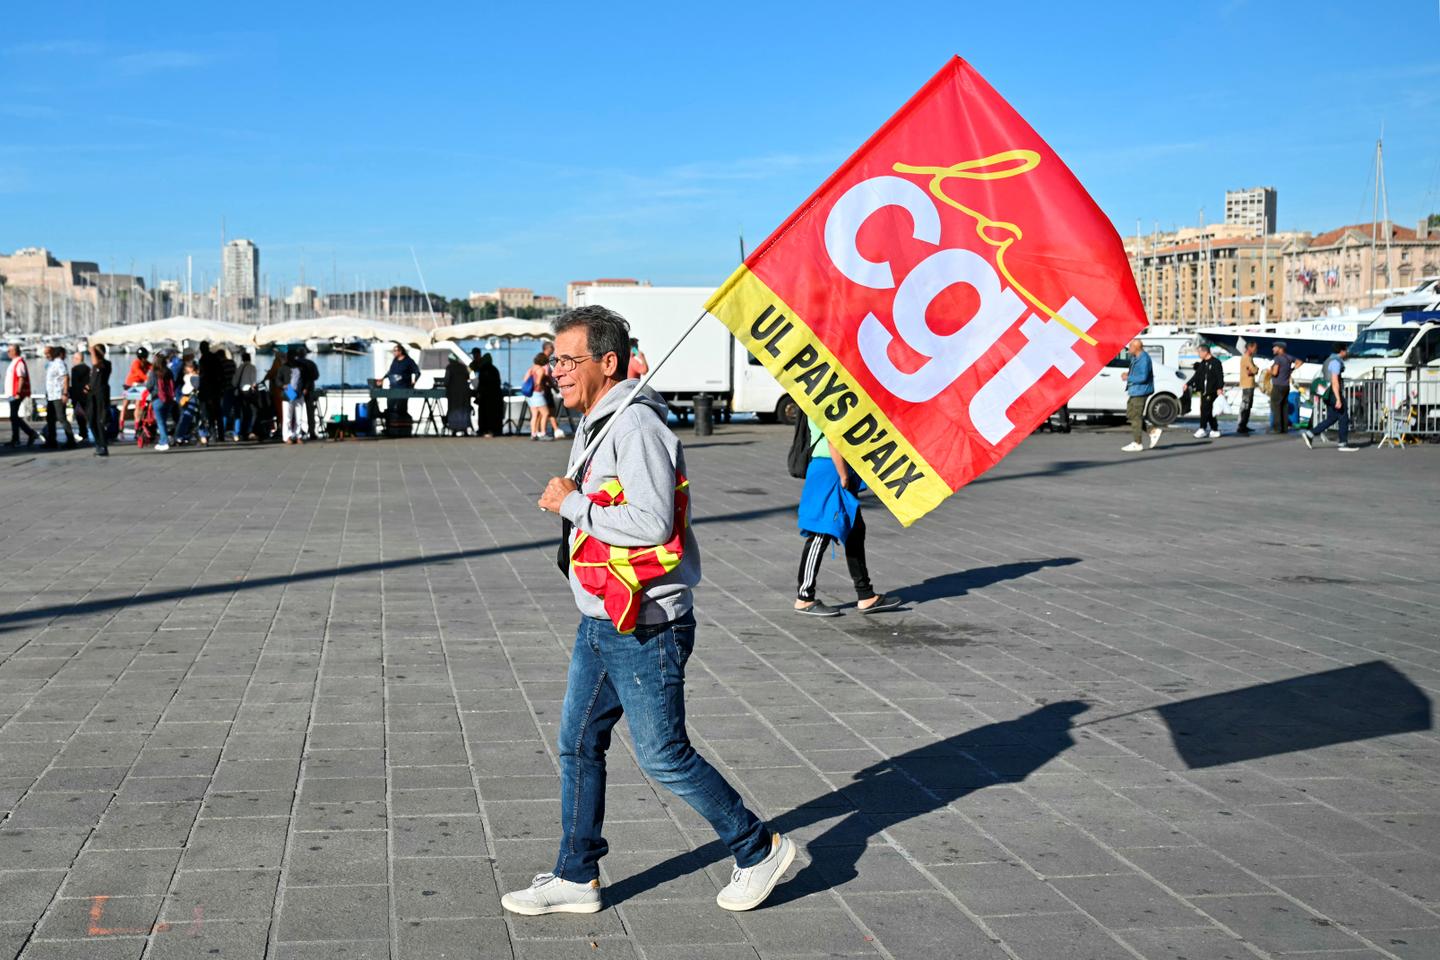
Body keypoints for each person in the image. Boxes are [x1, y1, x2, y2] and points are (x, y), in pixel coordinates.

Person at [507, 305, 793, 917]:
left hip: (645, 624)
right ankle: (576, 876)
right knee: (579, 742)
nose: (554, 371)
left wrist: (572, 504)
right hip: (603, 616)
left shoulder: (635, 427)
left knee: (663, 755)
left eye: (566, 360)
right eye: (553, 359)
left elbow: (651, 523)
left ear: (606, 363)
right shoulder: (595, 421)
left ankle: (757, 847)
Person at [794, 413, 902, 617]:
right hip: (831, 469)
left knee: (855, 531)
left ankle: (866, 595)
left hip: (833, 467)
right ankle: (804, 597)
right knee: (821, 532)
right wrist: (843, 475)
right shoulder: (824, 401)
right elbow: (833, 438)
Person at [1301, 343, 1357, 452]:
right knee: (1343, 416)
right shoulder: (1336, 362)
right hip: (1333, 392)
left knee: (1332, 417)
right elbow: (1335, 381)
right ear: (1342, 351)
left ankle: (1311, 433)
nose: (1347, 352)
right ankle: (1343, 443)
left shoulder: (1328, 360)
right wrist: (1338, 399)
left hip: (1326, 392)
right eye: (1346, 350)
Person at [1119, 339, 1162, 452]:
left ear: (1136, 348)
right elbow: (1137, 373)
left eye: (1131, 347)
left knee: (1136, 416)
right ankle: (1152, 431)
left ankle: (1137, 443)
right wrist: (1128, 374)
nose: (1129, 349)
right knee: (1131, 414)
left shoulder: (1144, 359)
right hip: (1135, 390)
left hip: (1141, 391)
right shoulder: (1135, 357)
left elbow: (1143, 377)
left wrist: (1128, 377)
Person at [5, 344, 39, 448]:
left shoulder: (19, 362)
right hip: (12, 393)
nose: (8, 353)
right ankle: (17, 438)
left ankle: (27, 435)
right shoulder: (14, 362)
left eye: (9, 351)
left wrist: (18, 392)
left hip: (16, 394)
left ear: (15, 351)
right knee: (14, 416)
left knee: (14, 416)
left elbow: (21, 378)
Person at [380, 343, 421, 429]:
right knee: (390, 408)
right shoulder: (394, 361)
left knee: (401, 408)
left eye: (395, 351)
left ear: (400, 351)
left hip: (403, 389)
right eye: (393, 351)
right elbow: (390, 372)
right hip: (393, 389)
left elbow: (417, 372)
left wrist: (414, 382)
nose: (393, 353)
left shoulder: (409, 361)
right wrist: (382, 379)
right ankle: (390, 428)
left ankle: (402, 428)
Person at [42, 346, 76, 449]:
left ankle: (71, 440)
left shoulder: (60, 363)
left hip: (57, 395)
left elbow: (65, 377)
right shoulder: (52, 364)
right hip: (51, 395)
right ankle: (51, 441)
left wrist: (65, 393)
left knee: (61, 418)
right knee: (50, 419)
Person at [1188, 344, 1224, 438]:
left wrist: (1220, 388)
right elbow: (1196, 376)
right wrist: (1188, 384)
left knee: (1205, 410)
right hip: (1203, 390)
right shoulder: (1203, 363)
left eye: (1199, 352)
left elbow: (1220, 376)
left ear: (1205, 352)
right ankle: (1214, 429)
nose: (1199, 354)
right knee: (1208, 410)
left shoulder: (1216, 362)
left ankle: (1202, 428)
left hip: (1212, 391)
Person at [145, 355, 176, 451]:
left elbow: (149, 386)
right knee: (164, 421)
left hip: (157, 399)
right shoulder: (169, 372)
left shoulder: (153, 372)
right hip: (168, 399)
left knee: (160, 422)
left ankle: (164, 441)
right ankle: (163, 439)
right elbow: (173, 384)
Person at [470, 349, 504, 437]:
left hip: (485, 396)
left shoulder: (482, 369)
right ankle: (495, 430)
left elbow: (481, 383)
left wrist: (478, 393)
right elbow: (498, 382)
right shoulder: (495, 369)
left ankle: (483, 430)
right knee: (494, 414)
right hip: (496, 395)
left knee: (484, 413)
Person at [197, 341, 225, 444]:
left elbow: (202, 376)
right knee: (218, 413)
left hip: (207, 390)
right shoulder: (215, 358)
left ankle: (212, 435)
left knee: (209, 414)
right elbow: (221, 374)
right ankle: (221, 435)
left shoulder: (203, 360)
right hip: (216, 389)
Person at [86, 344, 112, 457]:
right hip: (92, 394)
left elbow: (96, 363)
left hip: (101, 393)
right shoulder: (94, 366)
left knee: (100, 420)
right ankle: (98, 443)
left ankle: (103, 446)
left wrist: (92, 351)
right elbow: (93, 378)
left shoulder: (105, 364)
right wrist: (88, 386)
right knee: (91, 419)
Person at [524, 351, 556, 440]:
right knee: (545, 413)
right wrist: (542, 386)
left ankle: (533, 434)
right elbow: (538, 382)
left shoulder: (531, 369)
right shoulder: (541, 370)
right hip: (537, 394)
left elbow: (525, 379)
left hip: (530, 395)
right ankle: (543, 433)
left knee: (534, 415)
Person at [119, 347, 151, 437]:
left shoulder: (147, 364)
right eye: (142, 358)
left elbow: (153, 368)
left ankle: (137, 426)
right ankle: (121, 426)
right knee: (125, 405)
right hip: (129, 385)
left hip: (139, 386)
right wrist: (148, 379)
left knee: (138, 406)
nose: (144, 360)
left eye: (145, 358)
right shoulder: (135, 363)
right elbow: (140, 373)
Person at [1268, 342, 1299, 433]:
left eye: (1275, 347)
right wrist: (1291, 370)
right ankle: (1284, 427)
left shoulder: (1278, 359)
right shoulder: (1289, 357)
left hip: (1278, 385)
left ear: (1280, 348)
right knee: (1284, 406)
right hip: (1286, 385)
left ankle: (1277, 428)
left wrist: (1269, 371)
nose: (1273, 349)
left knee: (1276, 406)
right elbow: (1299, 362)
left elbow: (1275, 373)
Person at [263, 348, 290, 441]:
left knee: (281, 411)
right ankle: (289, 430)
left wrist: (265, 378)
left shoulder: (277, 361)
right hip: (290, 389)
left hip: (279, 390)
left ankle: (282, 430)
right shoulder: (289, 361)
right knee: (290, 410)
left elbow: (272, 372)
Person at [443, 355, 472, 435]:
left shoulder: (449, 367)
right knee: (464, 410)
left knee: (454, 410)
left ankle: (454, 430)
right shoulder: (463, 366)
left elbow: (446, 380)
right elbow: (468, 376)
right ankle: (465, 429)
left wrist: (445, 385)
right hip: (464, 392)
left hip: (454, 393)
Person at [232, 349, 258, 440]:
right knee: (252, 411)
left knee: (242, 412)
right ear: (250, 358)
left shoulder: (239, 368)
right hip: (248, 392)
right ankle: (249, 430)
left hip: (240, 392)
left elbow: (234, 382)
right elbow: (253, 382)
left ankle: (240, 432)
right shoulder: (252, 367)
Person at [174, 359, 201, 445]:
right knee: (187, 417)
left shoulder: (192, 376)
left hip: (189, 397)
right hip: (188, 397)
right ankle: (181, 435)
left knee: (186, 417)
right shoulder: (191, 376)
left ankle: (180, 436)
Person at [1236, 342, 1259, 435]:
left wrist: (1254, 369)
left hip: (1249, 384)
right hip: (1247, 384)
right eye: (1255, 348)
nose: (1256, 350)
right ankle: (1241, 425)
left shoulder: (1249, 358)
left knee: (1248, 405)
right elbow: (1252, 370)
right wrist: (1255, 369)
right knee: (1246, 405)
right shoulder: (1246, 358)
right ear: (1250, 347)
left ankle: (1244, 424)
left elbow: (1253, 370)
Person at [70, 347, 92, 445]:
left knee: (80, 417)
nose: (72, 360)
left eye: (74, 358)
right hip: (87, 396)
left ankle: (83, 434)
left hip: (78, 396)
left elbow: (75, 384)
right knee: (88, 415)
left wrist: (72, 394)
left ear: (78, 359)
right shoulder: (88, 368)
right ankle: (89, 432)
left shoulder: (75, 369)